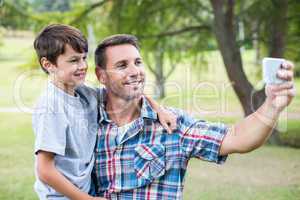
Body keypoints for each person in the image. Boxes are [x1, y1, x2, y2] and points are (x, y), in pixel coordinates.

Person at [92, 34, 296, 199]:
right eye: (122, 65)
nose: (135, 71)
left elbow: (237, 138)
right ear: (101, 75)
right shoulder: (88, 119)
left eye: (138, 62)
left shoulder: (172, 125)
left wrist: (272, 106)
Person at [32, 24, 176, 200]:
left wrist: (157, 108)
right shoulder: (51, 106)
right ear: (48, 64)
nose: (82, 65)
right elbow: (44, 170)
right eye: (73, 60)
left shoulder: (82, 92)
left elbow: (124, 90)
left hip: (85, 191)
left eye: (84, 58)